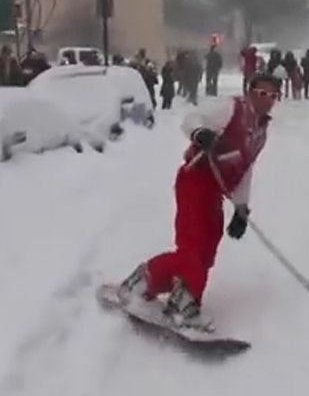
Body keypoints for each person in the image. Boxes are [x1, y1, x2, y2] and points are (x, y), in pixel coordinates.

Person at [115, 73, 282, 331]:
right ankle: (144, 284)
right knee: (191, 246)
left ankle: (182, 295)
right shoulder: (231, 108)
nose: (268, 100)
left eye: (273, 96)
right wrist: (200, 132)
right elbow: (192, 118)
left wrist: (241, 209)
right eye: (262, 93)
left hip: (215, 190)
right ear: (250, 91)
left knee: (207, 250)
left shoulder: (261, 131)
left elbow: (245, 169)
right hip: (195, 179)